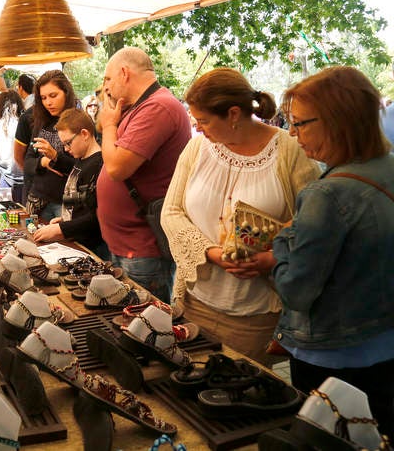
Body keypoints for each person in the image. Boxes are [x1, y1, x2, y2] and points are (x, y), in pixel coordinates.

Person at [160, 68, 319, 364]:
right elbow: (171, 212)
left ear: (233, 114)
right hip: (195, 303)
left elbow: (314, 224)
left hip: (256, 315)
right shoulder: (197, 148)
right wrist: (210, 252)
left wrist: (272, 258)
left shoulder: (289, 151)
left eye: (204, 121)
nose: (199, 128)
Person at [272, 66, 394, 432]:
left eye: (300, 123)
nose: (292, 135)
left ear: (339, 121)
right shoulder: (387, 168)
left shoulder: (326, 194)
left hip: (332, 356)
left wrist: (280, 244)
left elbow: (296, 291)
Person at [97, 47, 191, 303]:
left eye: (108, 79)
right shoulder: (138, 107)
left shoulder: (158, 107)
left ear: (124, 73)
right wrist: (109, 120)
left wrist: (109, 126)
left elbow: (116, 167)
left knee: (143, 325)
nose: (105, 87)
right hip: (126, 244)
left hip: (142, 249)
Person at [33, 108, 107, 259]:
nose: (66, 149)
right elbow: (81, 204)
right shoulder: (81, 159)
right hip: (77, 240)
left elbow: (95, 217)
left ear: (85, 134)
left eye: (68, 143)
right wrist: (67, 218)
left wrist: (61, 229)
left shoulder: (98, 165)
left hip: (92, 246)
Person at [16, 70, 78, 220]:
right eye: (43, 98)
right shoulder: (40, 121)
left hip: (65, 202)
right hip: (37, 199)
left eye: (53, 95)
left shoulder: (78, 122)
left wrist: (55, 156)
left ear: (66, 92)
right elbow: (27, 162)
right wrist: (44, 161)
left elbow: (83, 167)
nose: (48, 102)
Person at [0, 90, 25, 202]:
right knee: (22, 212)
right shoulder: (21, 123)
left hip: (4, 178)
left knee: (6, 211)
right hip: (22, 175)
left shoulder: (0, 125)